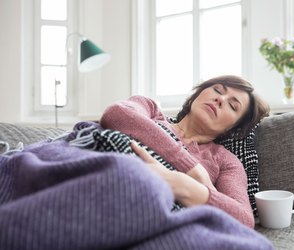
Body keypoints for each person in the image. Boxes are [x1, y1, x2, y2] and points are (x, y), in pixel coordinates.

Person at [99, 75, 270, 228]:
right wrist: (192, 169)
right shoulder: (151, 111)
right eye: (217, 89)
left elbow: (244, 220)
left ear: (232, 128)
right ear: (198, 94)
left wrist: (180, 184)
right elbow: (116, 114)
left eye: (233, 106)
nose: (220, 99)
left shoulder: (226, 161)